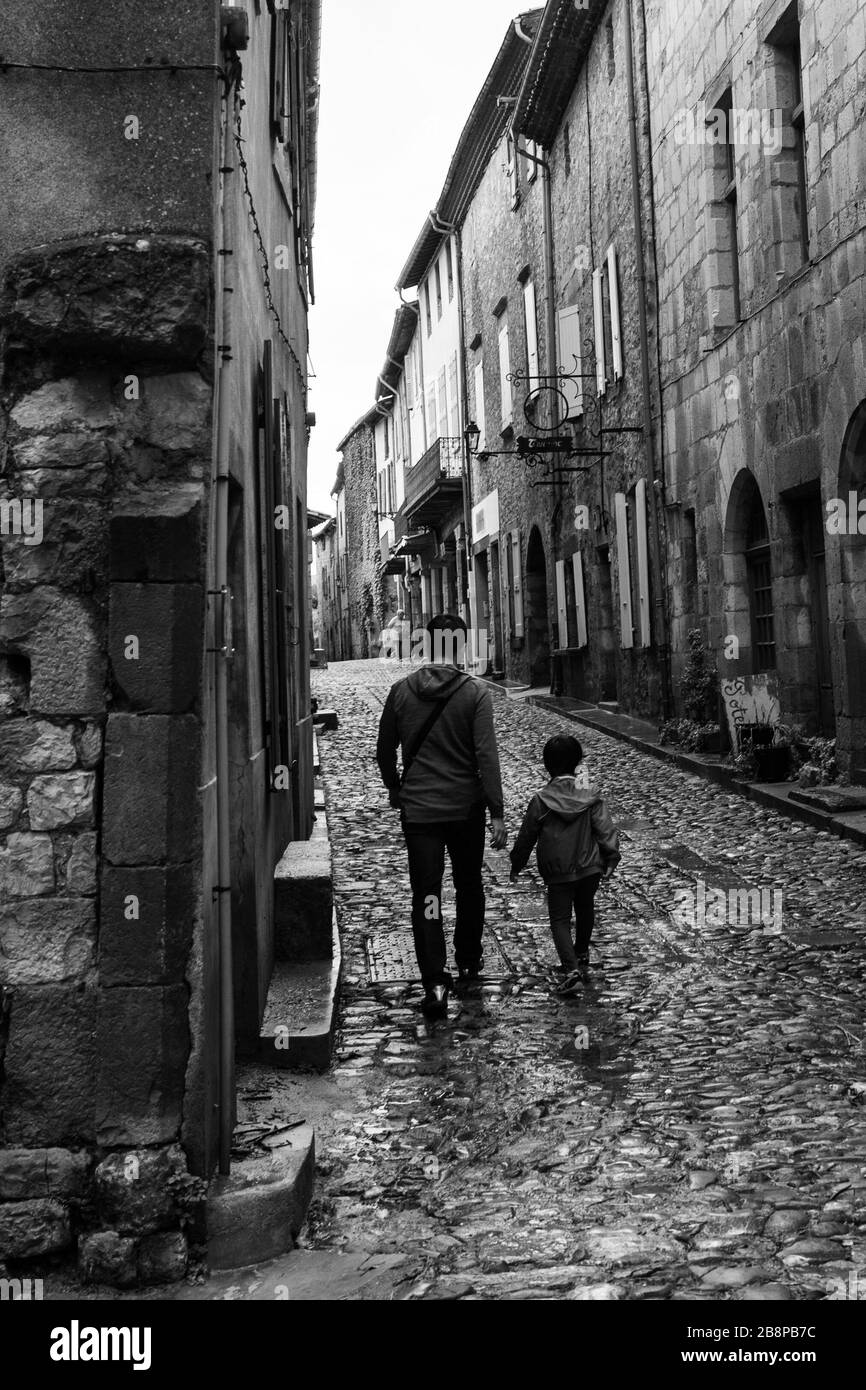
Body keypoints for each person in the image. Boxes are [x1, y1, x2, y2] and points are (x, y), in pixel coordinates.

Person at [376, 613, 507, 1018]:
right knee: (469, 885)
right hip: (465, 809)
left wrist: (396, 788)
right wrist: (497, 811)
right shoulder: (475, 694)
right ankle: (468, 957)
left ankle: (434, 979)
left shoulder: (400, 692)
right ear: (461, 647)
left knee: (427, 894)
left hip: (420, 814)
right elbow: (486, 756)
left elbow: (384, 751)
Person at [509, 733, 620, 996]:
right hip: (589, 866)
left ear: (547, 765)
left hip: (558, 870)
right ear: (577, 763)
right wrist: (611, 856)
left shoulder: (541, 800)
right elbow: (605, 828)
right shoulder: (590, 795)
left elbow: (526, 836)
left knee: (559, 919)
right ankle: (581, 952)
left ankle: (571, 969)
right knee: (585, 908)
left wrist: (517, 863)